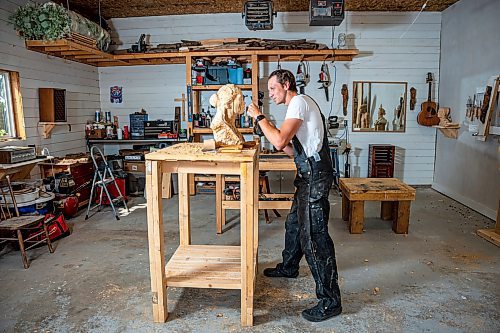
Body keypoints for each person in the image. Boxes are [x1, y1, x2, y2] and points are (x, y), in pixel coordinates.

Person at [247, 69, 342, 322]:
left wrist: (259, 117)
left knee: (314, 239)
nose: (270, 94)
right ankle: (289, 267)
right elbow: (291, 150)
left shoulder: (298, 102)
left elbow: (279, 142)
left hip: (315, 178)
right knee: (293, 225)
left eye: (273, 89)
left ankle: (330, 302)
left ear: (286, 85)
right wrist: (265, 129)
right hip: (307, 175)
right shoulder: (303, 104)